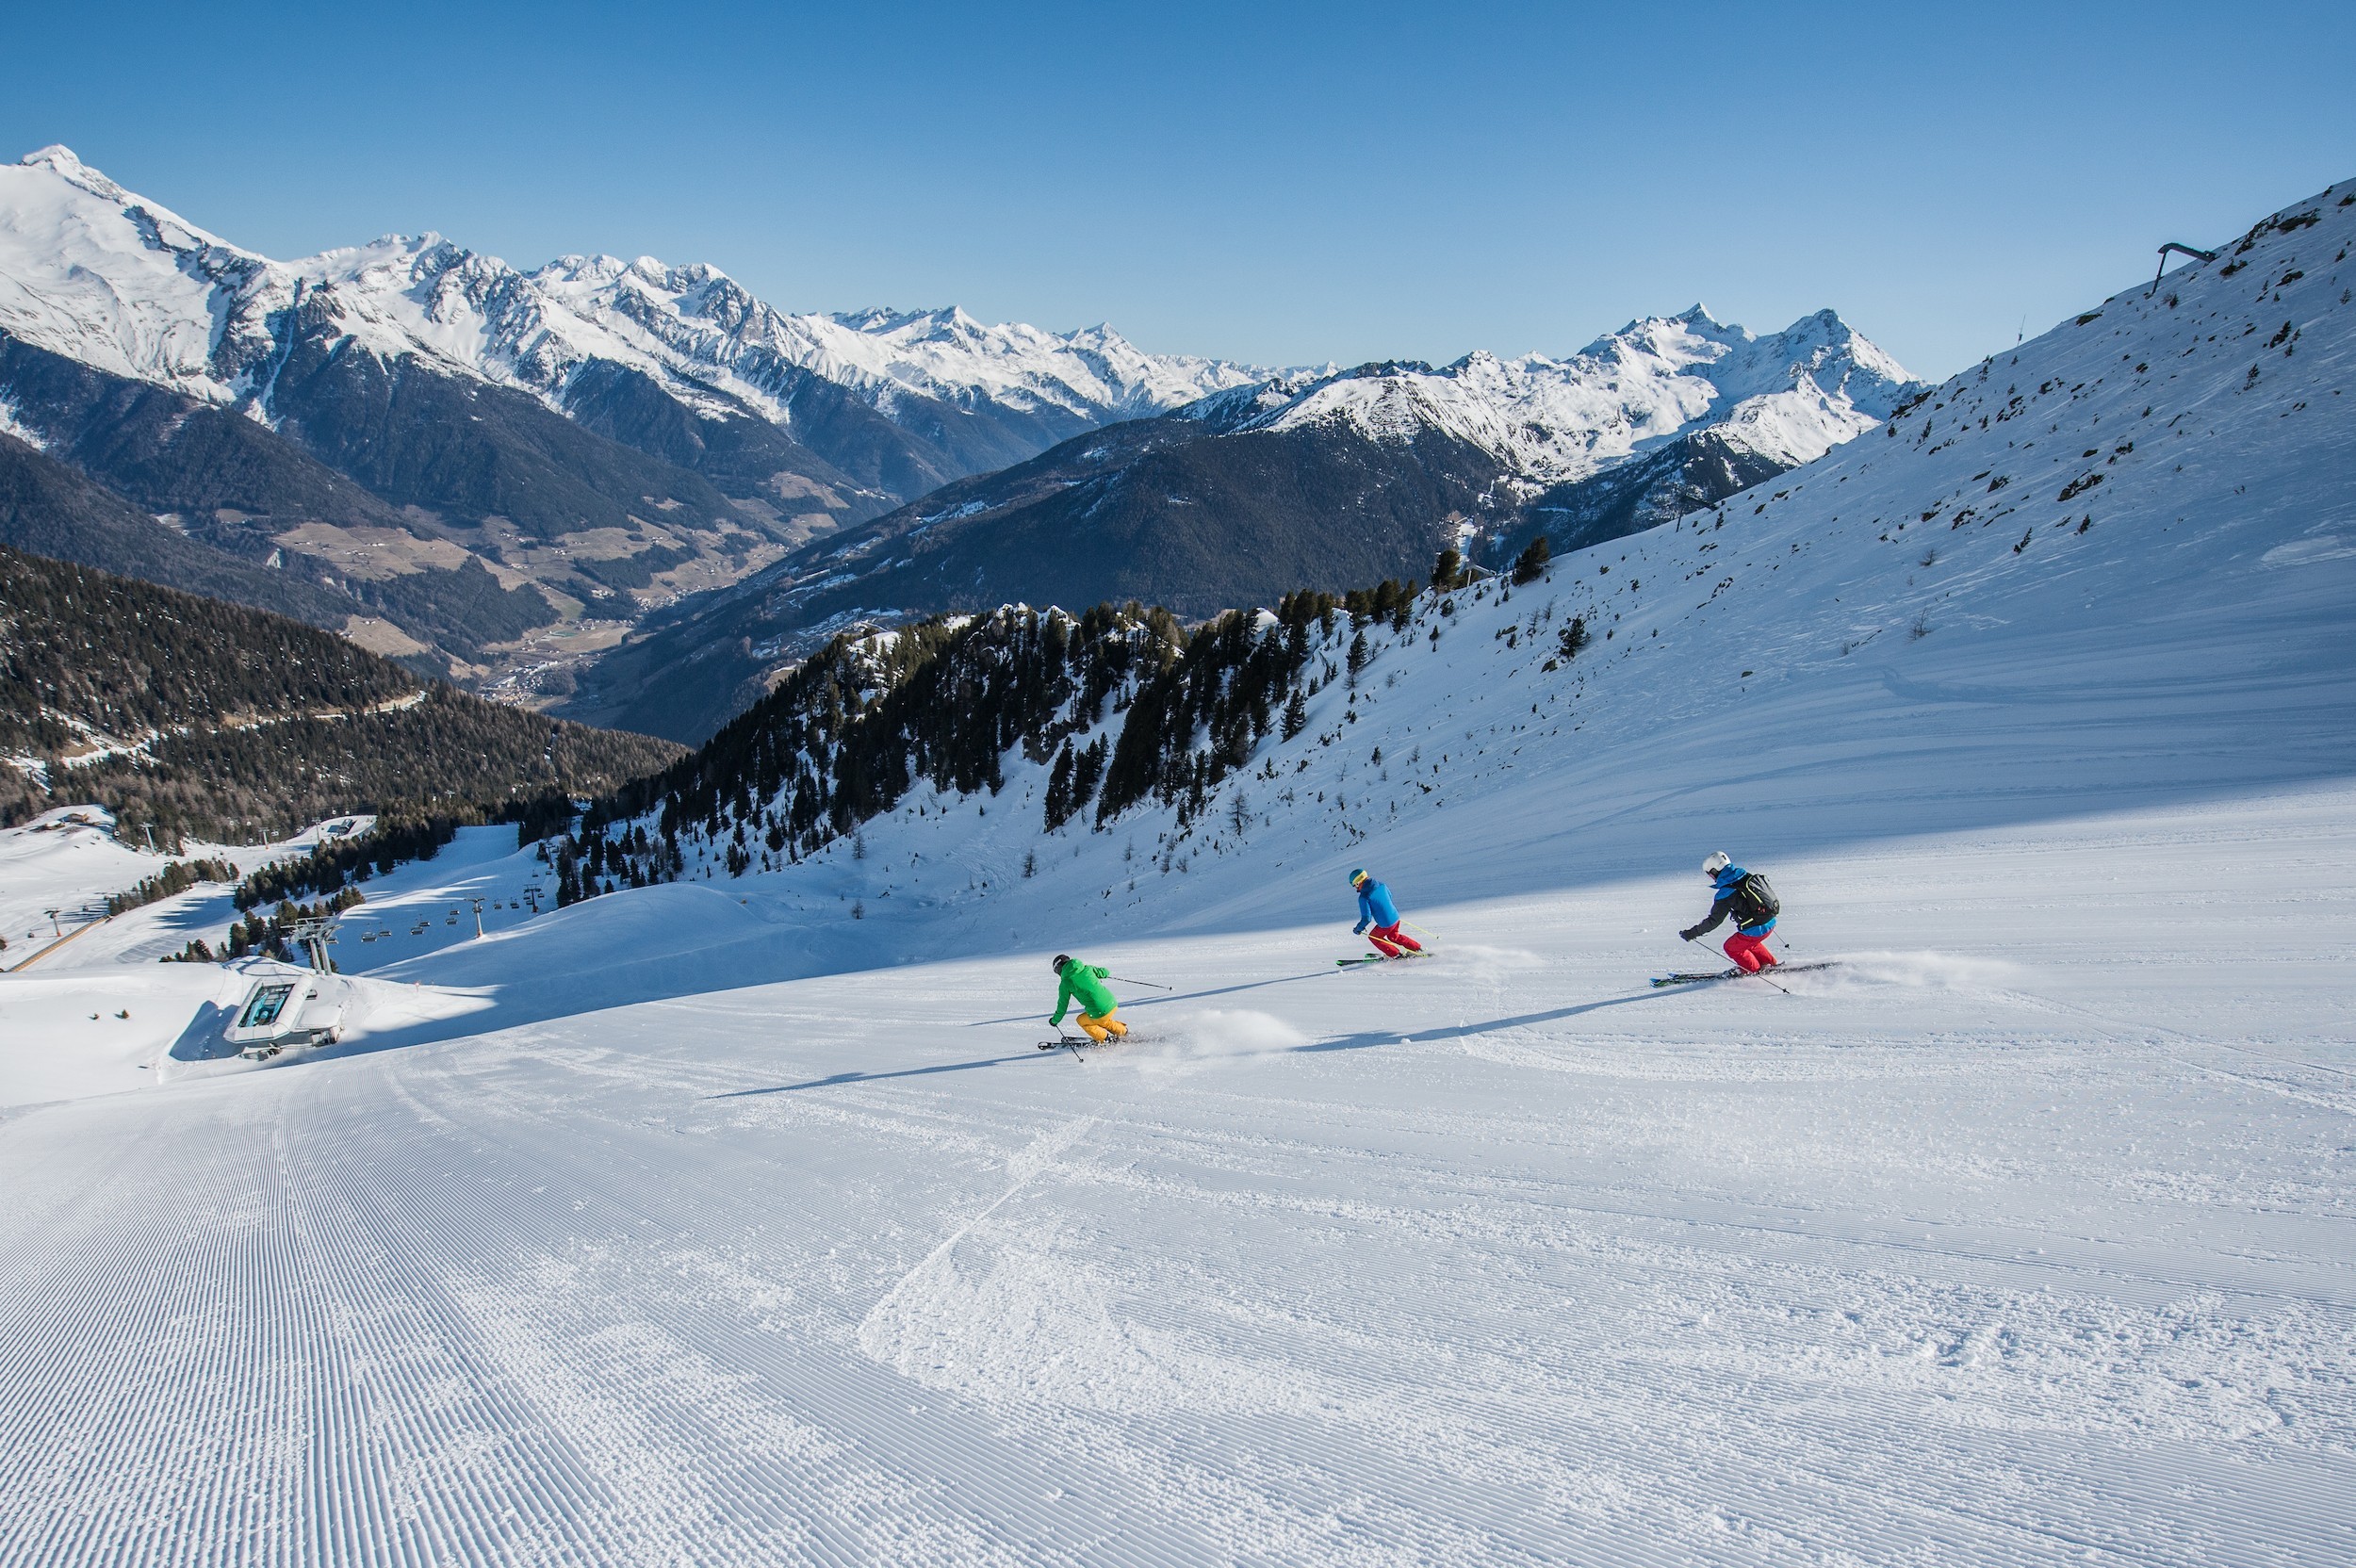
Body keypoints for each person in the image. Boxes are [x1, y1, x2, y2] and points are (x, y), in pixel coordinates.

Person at [1680, 851, 1780, 972]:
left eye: (1709, 874)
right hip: (1770, 921)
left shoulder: (1725, 893)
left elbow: (1714, 921)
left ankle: (1751, 971)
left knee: (1731, 947)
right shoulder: (1745, 876)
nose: (1711, 878)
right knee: (1749, 943)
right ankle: (1769, 964)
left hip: (1756, 929)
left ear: (1714, 871)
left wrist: (1692, 933)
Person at [1049, 955, 1127, 1042]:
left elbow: (1062, 1006)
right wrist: (1101, 975)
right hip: (1112, 1003)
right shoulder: (1087, 968)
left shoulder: (1066, 983)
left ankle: (1104, 1039)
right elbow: (1105, 972)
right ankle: (1124, 1032)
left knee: (1081, 1020)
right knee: (1104, 1021)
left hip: (1099, 1011)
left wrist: (1054, 1021)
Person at [1349, 868, 1423, 958]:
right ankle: (1417, 948)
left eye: (1355, 886)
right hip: (1395, 917)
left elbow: (1367, 918)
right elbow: (1389, 896)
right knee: (1393, 936)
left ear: (1358, 882)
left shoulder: (1364, 897)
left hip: (1385, 924)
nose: (1356, 888)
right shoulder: (1381, 885)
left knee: (1374, 937)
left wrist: (1358, 928)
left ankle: (1395, 955)